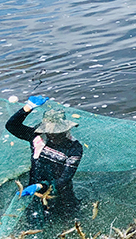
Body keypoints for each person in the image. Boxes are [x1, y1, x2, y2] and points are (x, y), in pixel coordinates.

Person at [5, 95, 83, 223]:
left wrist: (41, 185)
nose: (53, 135)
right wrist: (28, 107)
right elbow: (12, 126)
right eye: (49, 132)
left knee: (65, 223)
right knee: (33, 222)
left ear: (65, 129)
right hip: (34, 192)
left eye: (57, 132)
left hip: (60, 194)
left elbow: (65, 178)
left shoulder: (74, 147)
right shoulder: (37, 137)